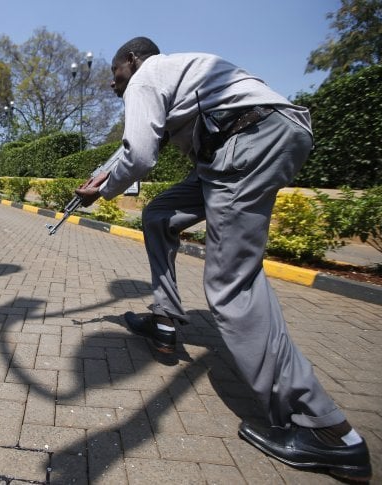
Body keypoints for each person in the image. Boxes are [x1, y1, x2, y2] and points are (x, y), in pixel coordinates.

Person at [74, 37, 371, 481]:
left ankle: (326, 430)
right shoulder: (178, 74)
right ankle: (166, 319)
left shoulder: (147, 76)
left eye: (115, 75)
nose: (113, 86)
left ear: (131, 61)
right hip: (247, 143)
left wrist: (103, 189)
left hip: (247, 141)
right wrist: (105, 172)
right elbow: (128, 149)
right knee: (158, 214)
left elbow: (139, 154)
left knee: (231, 284)